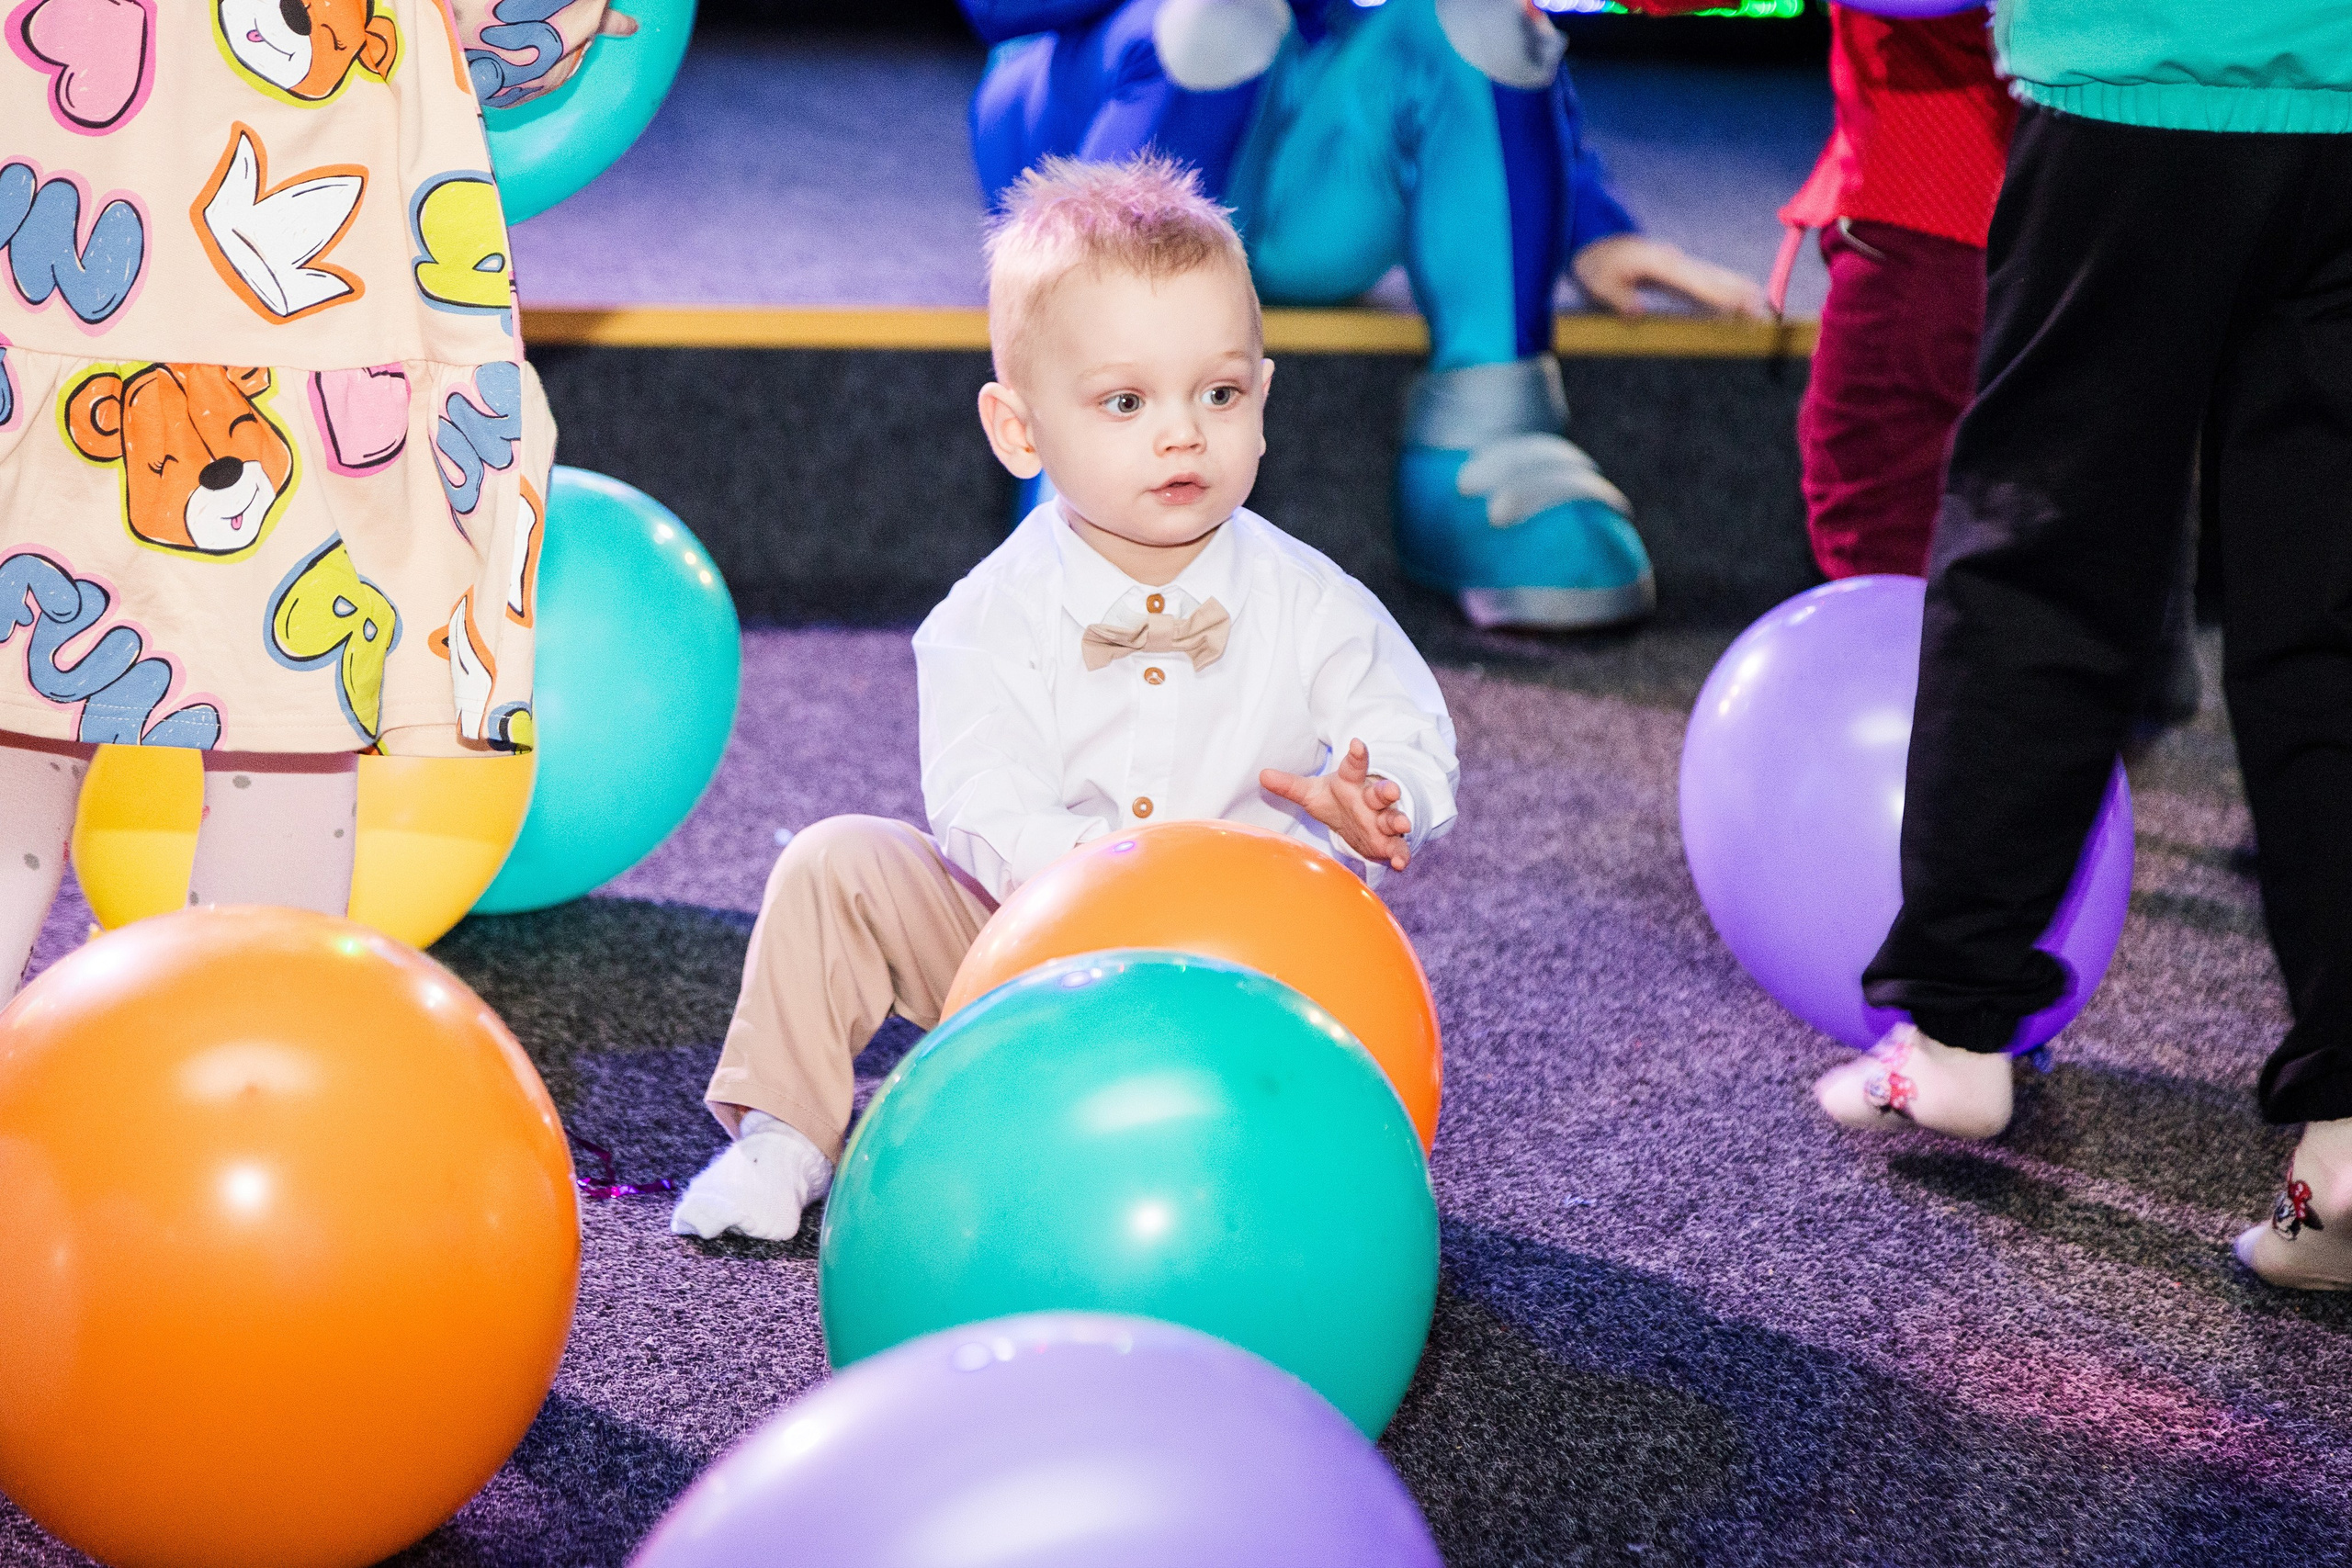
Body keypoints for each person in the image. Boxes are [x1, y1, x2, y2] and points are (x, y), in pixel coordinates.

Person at [671, 154, 1460, 1240]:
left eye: (1217, 394)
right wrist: (1105, 897)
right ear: (1019, 431)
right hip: (1038, 956)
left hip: (1244, 976)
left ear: (1264, 402)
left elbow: (1401, 727)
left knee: (1335, 989)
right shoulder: (985, 617)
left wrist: (1383, 800)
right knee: (835, 862)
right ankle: (785, 1138)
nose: (1182, 432)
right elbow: (983, 805)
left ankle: (1295, 1173)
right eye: (1126, 402)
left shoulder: (1312, 601)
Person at [1808, 0, 2352, 1291]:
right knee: (2330, 613)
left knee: (2043, 558)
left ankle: (1954, 1029)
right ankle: (2345, 1141)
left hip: (2140, 78)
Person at [0, 0, 628, 998]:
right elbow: (505, 31)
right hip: (300, 307)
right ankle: (238, 1082)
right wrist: (542, 29)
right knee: (283, 726)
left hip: (55, 224)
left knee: (16, 719)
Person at [959, 0, 1766, 633]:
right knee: (1217, 19)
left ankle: (1487, 447)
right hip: (1104, 129)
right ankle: (1098, 457)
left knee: (1474, 16)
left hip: (1306, 163)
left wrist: (1591, 230)